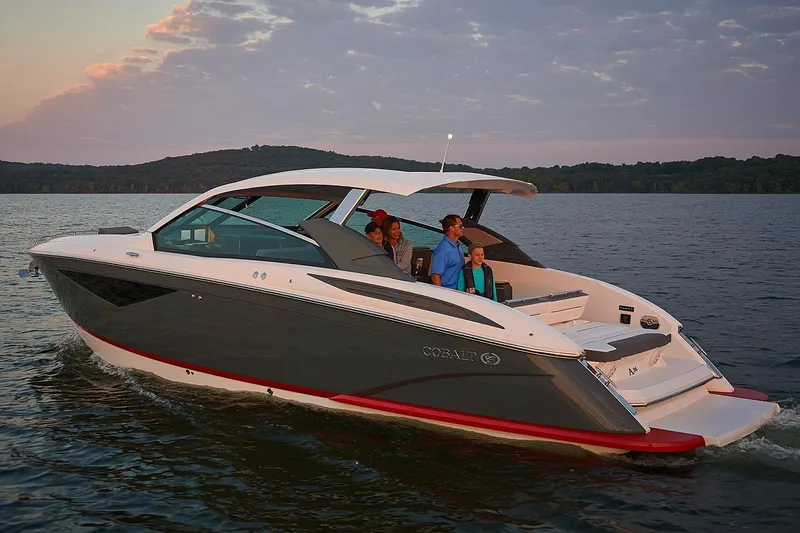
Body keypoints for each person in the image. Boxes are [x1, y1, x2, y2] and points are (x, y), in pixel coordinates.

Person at [430, 214, 465, 289]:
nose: (463, 228)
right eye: (460, 226)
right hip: (449, 293)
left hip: (460, 292)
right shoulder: (442, 250)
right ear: (451, 228)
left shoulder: (458, 246)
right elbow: (435, 276)